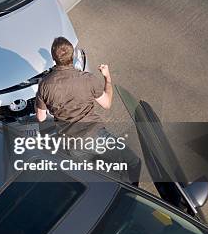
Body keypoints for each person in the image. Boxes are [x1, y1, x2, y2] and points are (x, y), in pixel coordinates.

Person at [35, 37, 141, 185]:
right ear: (72, 56)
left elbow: (40, 117)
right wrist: (107, 78)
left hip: (71, 143)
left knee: (93, 177)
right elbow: (107, 104)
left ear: (54, 58)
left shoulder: (44, 85)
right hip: (96, 136)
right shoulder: (87, 79)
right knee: (133, 162)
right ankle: (133, 190)